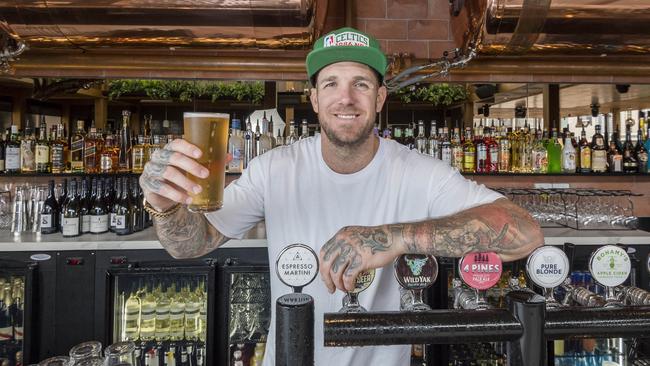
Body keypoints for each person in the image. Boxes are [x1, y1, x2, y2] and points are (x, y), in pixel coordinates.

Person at [139, 27, 544, 366]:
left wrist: (392, 238)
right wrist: (163, 204)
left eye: (361, 84)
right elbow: (192, 243)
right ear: (314, 99)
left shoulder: (418, 172)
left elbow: (525, 233)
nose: (345, 98)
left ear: (380, 99)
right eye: (330, 83)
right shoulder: (274, 168)